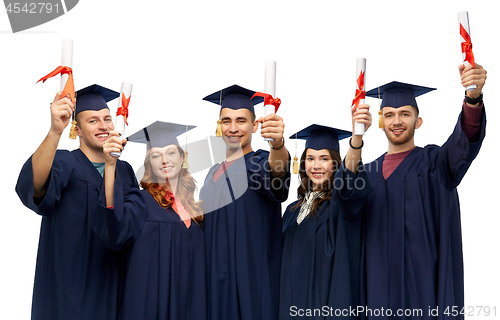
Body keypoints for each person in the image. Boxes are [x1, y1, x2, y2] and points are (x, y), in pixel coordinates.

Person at [360, 63, 487, 320]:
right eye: (390, 114)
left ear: (418, 121)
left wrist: (472, 98)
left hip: (424, 292)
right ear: (380, 123)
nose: (397, 121)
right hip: (375, 294)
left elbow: (465, 142)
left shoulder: (435, 164)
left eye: (405, 114)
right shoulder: (365, 174)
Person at [15, 84, 138, 320]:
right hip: (70, 291)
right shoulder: (65, 163)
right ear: (77, 130)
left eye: (107, 119)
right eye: (92, 121)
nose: (103, 126)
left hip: (115, 288)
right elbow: (35, 187)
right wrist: (54, 132)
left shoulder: (124, 171)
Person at [97, 121, 206, 320]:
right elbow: (114, 227)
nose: (164, 160)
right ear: (149, 164)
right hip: (150, 310)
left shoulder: (195, 209)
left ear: (182, 157)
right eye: (156, 155)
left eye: (171, 153)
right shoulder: (140, 202)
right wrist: (110, 165)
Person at [200, 84, 291, 320]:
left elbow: (276, 174)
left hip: (251, 286)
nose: (233, 128)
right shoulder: (211, 174)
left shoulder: (260, 162)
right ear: (219, 126)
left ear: (255, 124)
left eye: (241, 120)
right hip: (215, 287)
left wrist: (278, 145)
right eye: (226, 121)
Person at [280, 104, 373, 320]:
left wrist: (356, 140)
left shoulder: (340, 206)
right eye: (310, 158)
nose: (316, 165)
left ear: (335, 164)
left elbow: (349, 179)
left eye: (324, 158)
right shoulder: (292, 211)